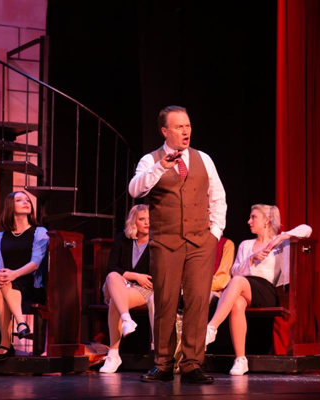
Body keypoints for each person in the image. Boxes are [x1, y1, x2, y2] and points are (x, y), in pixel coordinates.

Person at [129, 105, 226, 384]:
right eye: (179, 127)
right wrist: (162, 166)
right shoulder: (151, 160)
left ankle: (192, 364)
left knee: (197, 301)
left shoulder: (203, 159)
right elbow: (135, 189)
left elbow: (217, 197)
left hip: (200, 242)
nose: (186, 131)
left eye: (188, 126)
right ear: (165, 131)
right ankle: (163, 363)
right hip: (166, 242)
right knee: (165, 301)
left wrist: (215, 233)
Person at [205, 204, 312, 375]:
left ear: (267, 220)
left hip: (268, 291)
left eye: (253, 217)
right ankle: (241, 359)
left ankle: (211, 328)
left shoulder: (281, 244)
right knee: (237, 302)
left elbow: (307, 230)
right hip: (245, 287)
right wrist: (251, 259)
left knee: (238, 282)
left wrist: (280, 238)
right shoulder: (246, 245)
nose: (249, 221)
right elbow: (235, 272)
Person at [0, 191, 48, 360]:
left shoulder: (39, 232)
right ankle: (20, 324)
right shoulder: (0, 237)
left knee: (0, 289)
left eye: (27, 200)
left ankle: (6, 344)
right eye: (19, 200)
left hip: (31, 283)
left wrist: (13, 274)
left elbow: (36, 262)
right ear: (10, 206)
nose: (26, 202)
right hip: (7, 282)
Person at [99, 204, 153, 373]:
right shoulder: (122, 239)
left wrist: (137, 280)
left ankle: (113, 354)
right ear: (133, 222)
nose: (147, 223)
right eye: (142, 219)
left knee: (116, 301)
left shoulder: (156, 242)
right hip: (118, 284)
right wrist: (135, 275)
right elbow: (111, 267)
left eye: (149, 219)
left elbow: (153, 276)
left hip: (143, 289)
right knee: (112, 276)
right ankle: (126, 318)